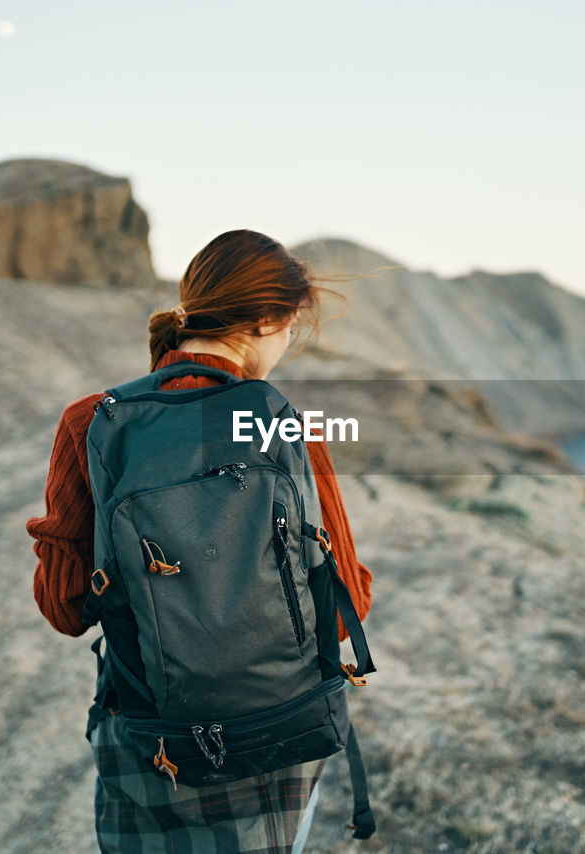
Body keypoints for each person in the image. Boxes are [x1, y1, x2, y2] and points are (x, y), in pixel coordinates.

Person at [25, 229, 374, 853]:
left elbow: (65, 609)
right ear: (268, 319)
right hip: (277, 738)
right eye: (290, 327)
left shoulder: (92, 423)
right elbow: (348, 611)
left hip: (153, 739)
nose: (286, 345)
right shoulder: (286, 425)